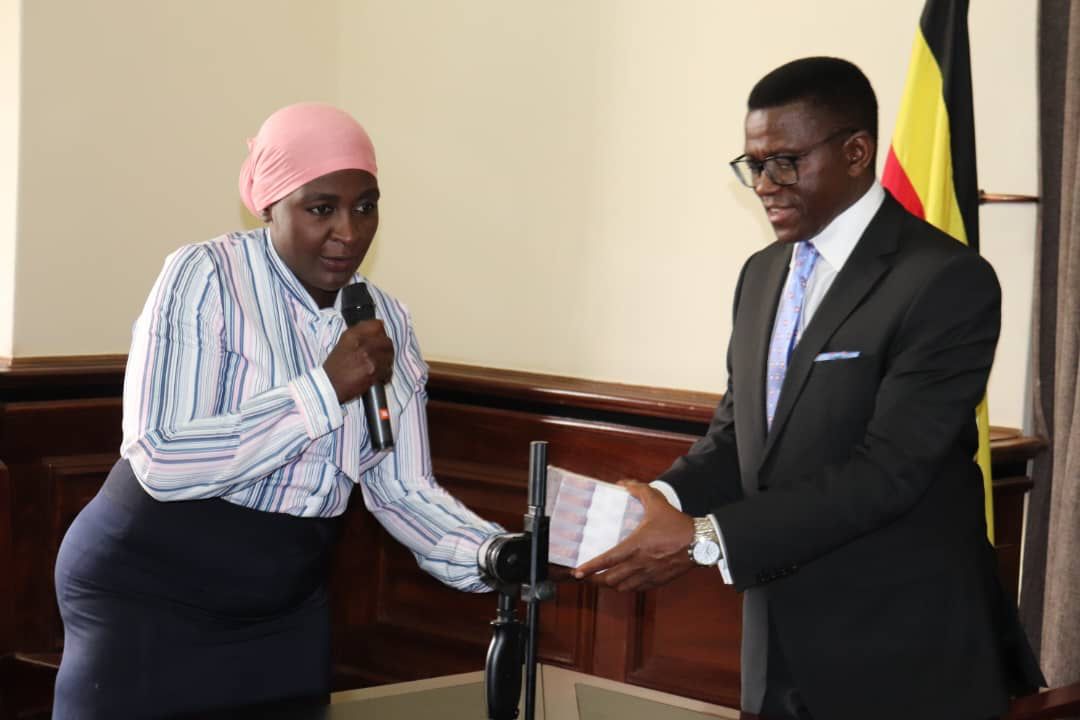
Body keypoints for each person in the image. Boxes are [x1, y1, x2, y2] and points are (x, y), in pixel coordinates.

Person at [574, 57, 1044, 720]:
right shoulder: (761, 275)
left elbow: (889, 471)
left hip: (903, 658)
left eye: (785, 163)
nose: (765, 185)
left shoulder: (944, 280)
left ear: (856, 152)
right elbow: (740, 439)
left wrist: (704, 536)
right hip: (777, 651)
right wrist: (661, 499)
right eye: (753, 165)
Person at [52, 102, 502, 718]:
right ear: (270, 205)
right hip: (151, 588)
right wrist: (322, 389)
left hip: (283, 604)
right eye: (321, 208)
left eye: (365, 206)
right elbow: (161, 457)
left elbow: (401, 489)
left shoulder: (385, 319)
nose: (349, 232)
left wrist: (493, 555)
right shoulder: (205, 276)